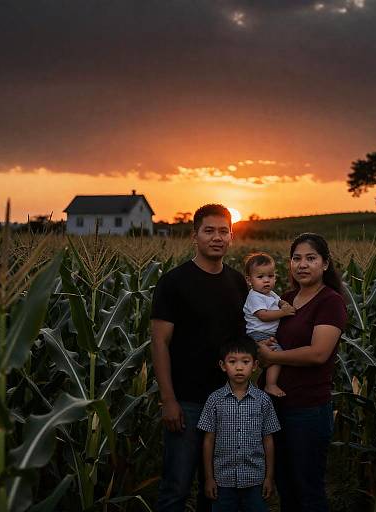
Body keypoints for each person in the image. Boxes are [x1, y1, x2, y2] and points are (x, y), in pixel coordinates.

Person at [150, 204, 249, 512]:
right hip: (187, 403)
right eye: (209, 231)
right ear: (195, 236)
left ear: (231, 236)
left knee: (216, 489)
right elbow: (160, 343)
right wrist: (169, 400)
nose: (217, 238)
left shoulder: (237, 283)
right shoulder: (174, 282)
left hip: (226, 403)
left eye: (223, 231)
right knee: (176, 488)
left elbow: (244, 342)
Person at [257, 233, 347, 512]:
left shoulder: (330, 302)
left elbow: (318, 352)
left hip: (307, 409)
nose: (302, 265)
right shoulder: (285, 299)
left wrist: (272, 356)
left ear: (325, 264)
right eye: (297, 258)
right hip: (276, 407)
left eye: (311, 258)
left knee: (308, 490)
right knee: (286, 487)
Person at [198, 337, 280, 512]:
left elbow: (268, 440)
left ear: (255, 365)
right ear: (222, 365)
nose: (239, 367)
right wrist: (209, 478)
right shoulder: (214, 400)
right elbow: (208, 440)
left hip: (255, 480)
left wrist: (269, 477)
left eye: (245, 361)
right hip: (223, 481)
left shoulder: (263, 400)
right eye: (232, 362)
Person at [243, 252, 296, 397]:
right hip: (258, 334)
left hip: (269, 334)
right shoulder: (254, 296)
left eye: (270, 276)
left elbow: (279, 302)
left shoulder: (270, 294)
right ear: (249, 280)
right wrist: (284, 313)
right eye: (260, 277)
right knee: (276, 356)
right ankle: (270, 385)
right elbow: (263, 315)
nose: (266, 281)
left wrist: (284, 304)